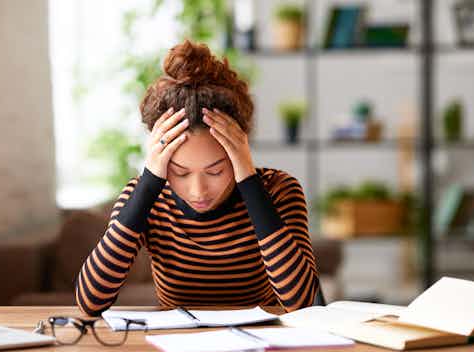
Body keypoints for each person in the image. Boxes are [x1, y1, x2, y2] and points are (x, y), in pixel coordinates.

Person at [75, 39, 318, 316]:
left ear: (240, 150)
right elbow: (90, 301)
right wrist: (150, 182)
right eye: (180, 172)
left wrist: (248, 181)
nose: (198, 191)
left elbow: (302, 304)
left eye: (215, 171)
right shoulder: (145, 196)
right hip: (174, 349)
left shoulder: (278, 190)